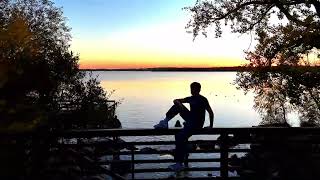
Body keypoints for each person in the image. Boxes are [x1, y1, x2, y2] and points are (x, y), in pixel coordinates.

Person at [154, 82, 214, 171]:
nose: (192, 91)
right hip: (190, 120)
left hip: (197, 124)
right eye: (191, 89)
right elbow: (175, 100)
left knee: (179, 137)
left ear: (199, 90)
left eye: (194, 89)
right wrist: (179, 104)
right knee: (177, 107)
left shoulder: (203, 99)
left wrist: (211, 126)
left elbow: (211, 112)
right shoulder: (190, 99)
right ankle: (165, 122)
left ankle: (179, 163)